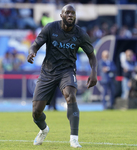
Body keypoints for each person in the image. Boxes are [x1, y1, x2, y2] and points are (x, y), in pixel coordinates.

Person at [27, 4, 97, 148]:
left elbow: (92, 56)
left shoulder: (80, 34)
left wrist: (94, 72)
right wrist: (31, 52)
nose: (71, 15)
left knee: (70, 95)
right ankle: (44, 129)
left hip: (67, 70)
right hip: (48, 72)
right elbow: (35, 44)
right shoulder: (50, 28)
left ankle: (74, 139)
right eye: (67, 13)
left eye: (73, 13)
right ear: (61, 15)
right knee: (36, 112)